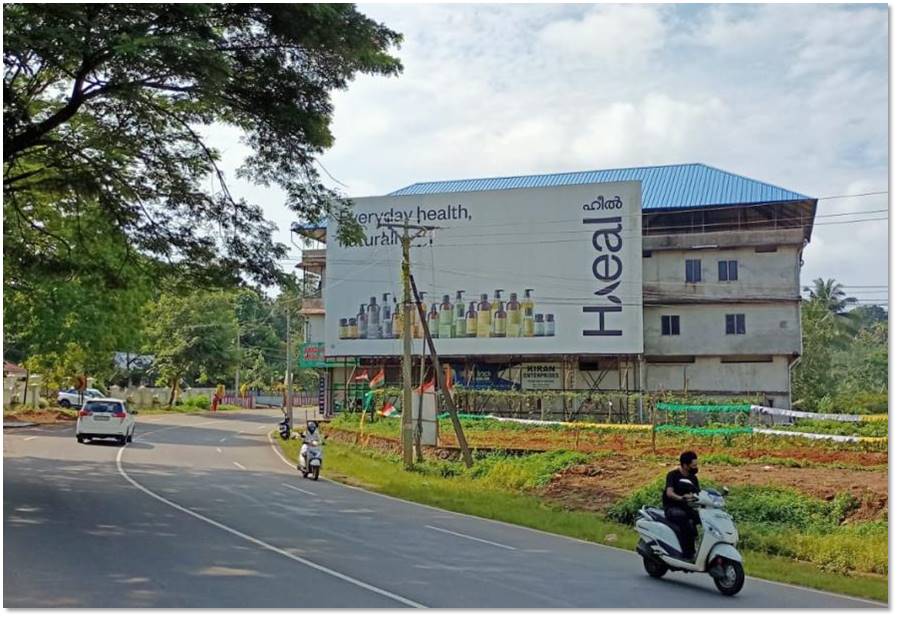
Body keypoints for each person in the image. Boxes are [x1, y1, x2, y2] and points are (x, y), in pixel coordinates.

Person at [662, 450, 702, 560]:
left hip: (687, 507)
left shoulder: (693, 478)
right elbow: (669, 493)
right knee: (686, 523)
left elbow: (698, 493)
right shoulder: (673, 475)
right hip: (672, 508)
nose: (695, 467)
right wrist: (681, 498)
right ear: (685, 465)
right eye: (693, 465)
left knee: (702, 520)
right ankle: (687, 554)